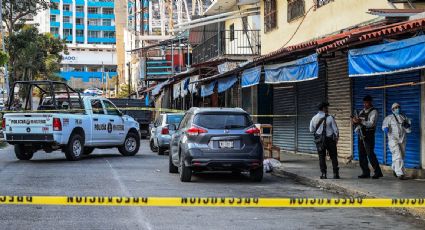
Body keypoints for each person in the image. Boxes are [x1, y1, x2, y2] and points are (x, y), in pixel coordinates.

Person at [352, 95, 383, 179]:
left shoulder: (374, 112)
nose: (365, 104)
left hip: (369, 135)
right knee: (361, 154)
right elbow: (358, 123)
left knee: (370, 154)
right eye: (364, 103)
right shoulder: (361, 111)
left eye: (366, 103)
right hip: (361, 135)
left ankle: (378, 172)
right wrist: (355, 121)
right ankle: (365, 172)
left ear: (370, 102)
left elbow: (371, 123)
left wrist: (361, 121)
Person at [309, 102, 339, 179]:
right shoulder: (330, 117)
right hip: (330, 140)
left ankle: (323, 174)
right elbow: (335, 130)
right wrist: (336, 138)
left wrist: (319, 130)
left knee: (321, 157)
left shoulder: (314, 118)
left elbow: (311, 130)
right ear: (323, 108)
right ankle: (335, 174)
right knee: (333, 156)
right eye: (326, 108)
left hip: (319, 141)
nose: (327, 109)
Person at [382, 103, 411, 180]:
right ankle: (400, 174)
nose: (397, 108)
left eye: (398, 107)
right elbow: (384, 126)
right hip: (393, 139)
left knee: (401, 155)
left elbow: (408, 131)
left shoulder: (403, 117)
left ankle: (395, 169)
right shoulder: (389, 118)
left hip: (402, 139)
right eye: (396, 107)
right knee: (398, 156)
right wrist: (386, 129)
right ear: (392, 109)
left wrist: (407, 126)